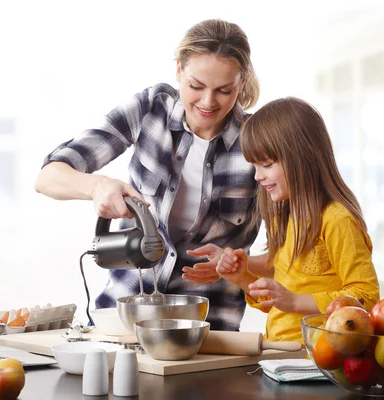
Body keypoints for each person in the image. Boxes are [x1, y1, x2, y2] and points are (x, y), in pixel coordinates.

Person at [35, 19, 261, 331]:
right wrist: (97, 186)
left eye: (224, 90)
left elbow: (289, 251)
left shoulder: (258, 140)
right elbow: (48, 177)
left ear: (242, 81)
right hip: (123, 315)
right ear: (179, 70)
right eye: (196, 86)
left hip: (209, 328)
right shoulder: (150, 109)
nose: (208, 102)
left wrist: (235, 265)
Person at [187, 97, 380, 343]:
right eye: (255, 166)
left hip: (317, 356)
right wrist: (242, 274)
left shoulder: (337, 220)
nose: (258, 176)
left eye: (266, 164)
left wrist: (293, 300)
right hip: (281, 352)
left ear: (302, 158)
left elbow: (366, 296)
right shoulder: (285, 215)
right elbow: (285, 269)